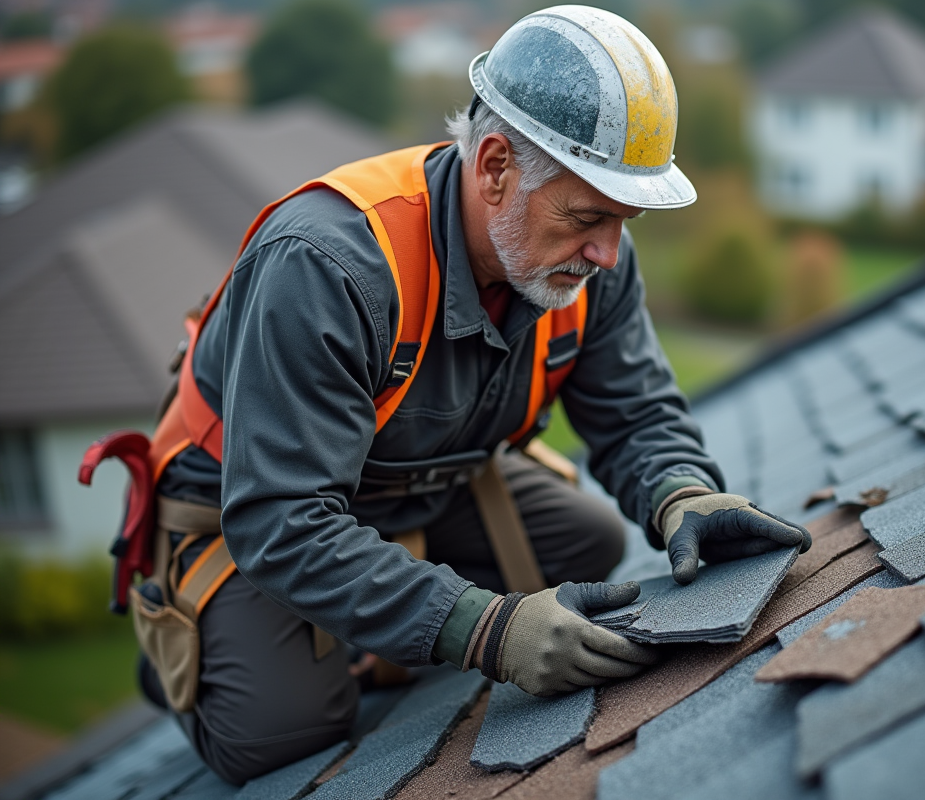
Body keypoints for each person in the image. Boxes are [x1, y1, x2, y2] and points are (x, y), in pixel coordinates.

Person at [142, 5, 810, 783]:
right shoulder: (327, 267)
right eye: (589, 217)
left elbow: (635, 414)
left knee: (587, 548)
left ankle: (381, 599)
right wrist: (485, 630)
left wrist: (682, 494)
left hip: (418, 482)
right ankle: (185, 642)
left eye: (623, 222)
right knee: (281, 731)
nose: (606, 252)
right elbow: (280, 517)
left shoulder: (584, 260)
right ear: (494, 166)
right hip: (255, 505)